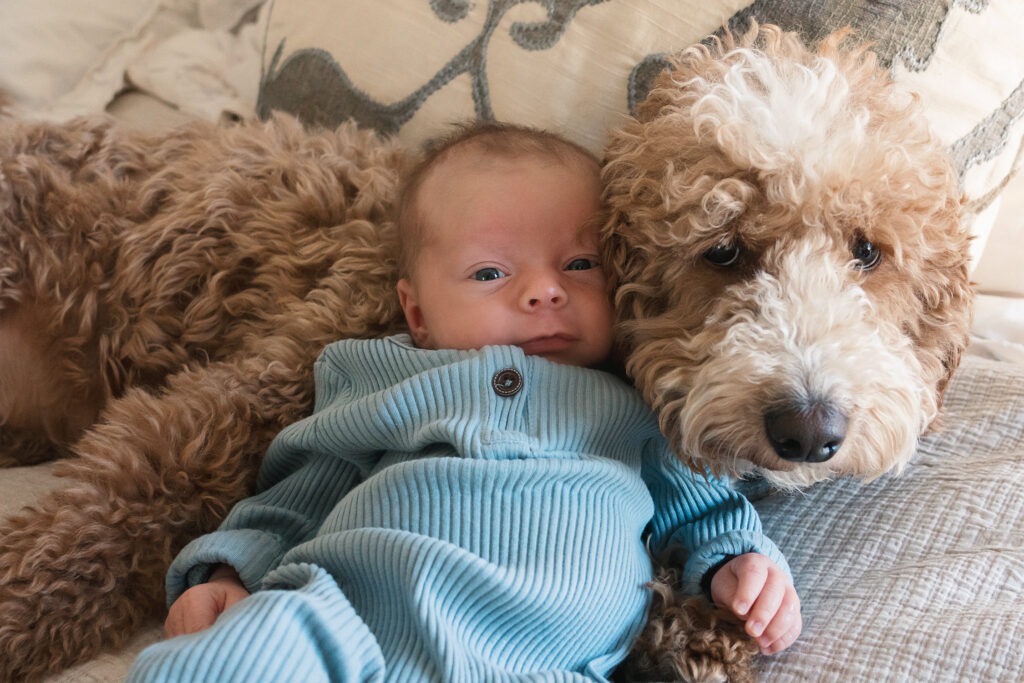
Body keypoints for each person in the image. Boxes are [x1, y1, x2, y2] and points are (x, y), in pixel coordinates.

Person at [128, 122, 801, 683]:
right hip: (341, 616)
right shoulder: (379, 373)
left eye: (579, 264)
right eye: (490, 272)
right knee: (227, 660)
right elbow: (299, 492)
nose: (544, 291)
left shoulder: (636, 398)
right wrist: (228, 572)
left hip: (548, 660)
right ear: (417, 314)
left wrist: (741, 563)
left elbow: (703, 505)